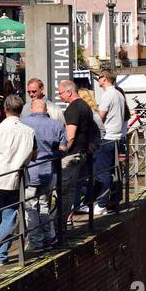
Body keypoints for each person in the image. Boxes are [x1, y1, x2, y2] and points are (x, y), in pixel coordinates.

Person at [0, 95, 36, 266]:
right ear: (20, 110)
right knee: (9, 218)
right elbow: (34, 155)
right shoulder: (29, 131)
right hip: (16, 180)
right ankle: (1, 257)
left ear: (5, 109)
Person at [21, 93, 68, 250]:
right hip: (49, 170)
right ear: (46, 109)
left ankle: (36, 241)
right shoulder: (56, 125)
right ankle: (49, 237)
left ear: (33, 108)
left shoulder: (24, 123)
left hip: (30, 171)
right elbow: (63, 148)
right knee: (44, 204)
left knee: (31, 207)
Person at [56, 79, 99, 227]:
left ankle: (61, 223)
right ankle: (66, 219)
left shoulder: (74, 108)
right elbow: (95, 130)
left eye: (60, 93)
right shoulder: (85, 106)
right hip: (81, 153)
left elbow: (71, 135)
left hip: (71, 155)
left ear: (69, 92)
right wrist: (91, 145)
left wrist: (62, 151)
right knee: (72, 188)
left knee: (65, 190)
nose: (60, 96)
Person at [90, 70, 128, 215]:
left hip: (106, 138)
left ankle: (101, 205)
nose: (98, 80)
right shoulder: (119, 94)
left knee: (102, 172)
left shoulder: (108, 95)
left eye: (99, 77)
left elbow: (101, 118)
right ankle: (112, 200)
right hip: (117, 138)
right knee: (112, 172)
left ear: (105, 79)